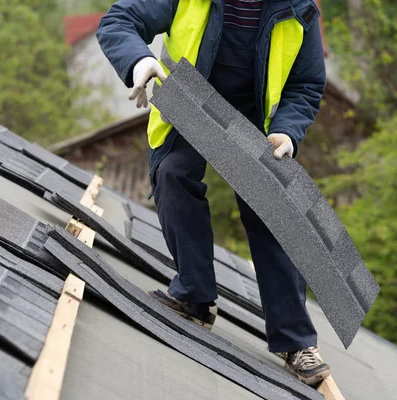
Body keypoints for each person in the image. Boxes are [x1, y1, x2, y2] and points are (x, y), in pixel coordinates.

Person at [97, 0, 329, 386]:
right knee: (173, 174)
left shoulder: (299, 9)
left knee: (273, 209)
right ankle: (195, 298)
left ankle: (296, 342)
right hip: (190, 106)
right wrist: (138, 61)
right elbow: (119, 20)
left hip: (256, 123)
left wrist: (288, 130)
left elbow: (306, 85)